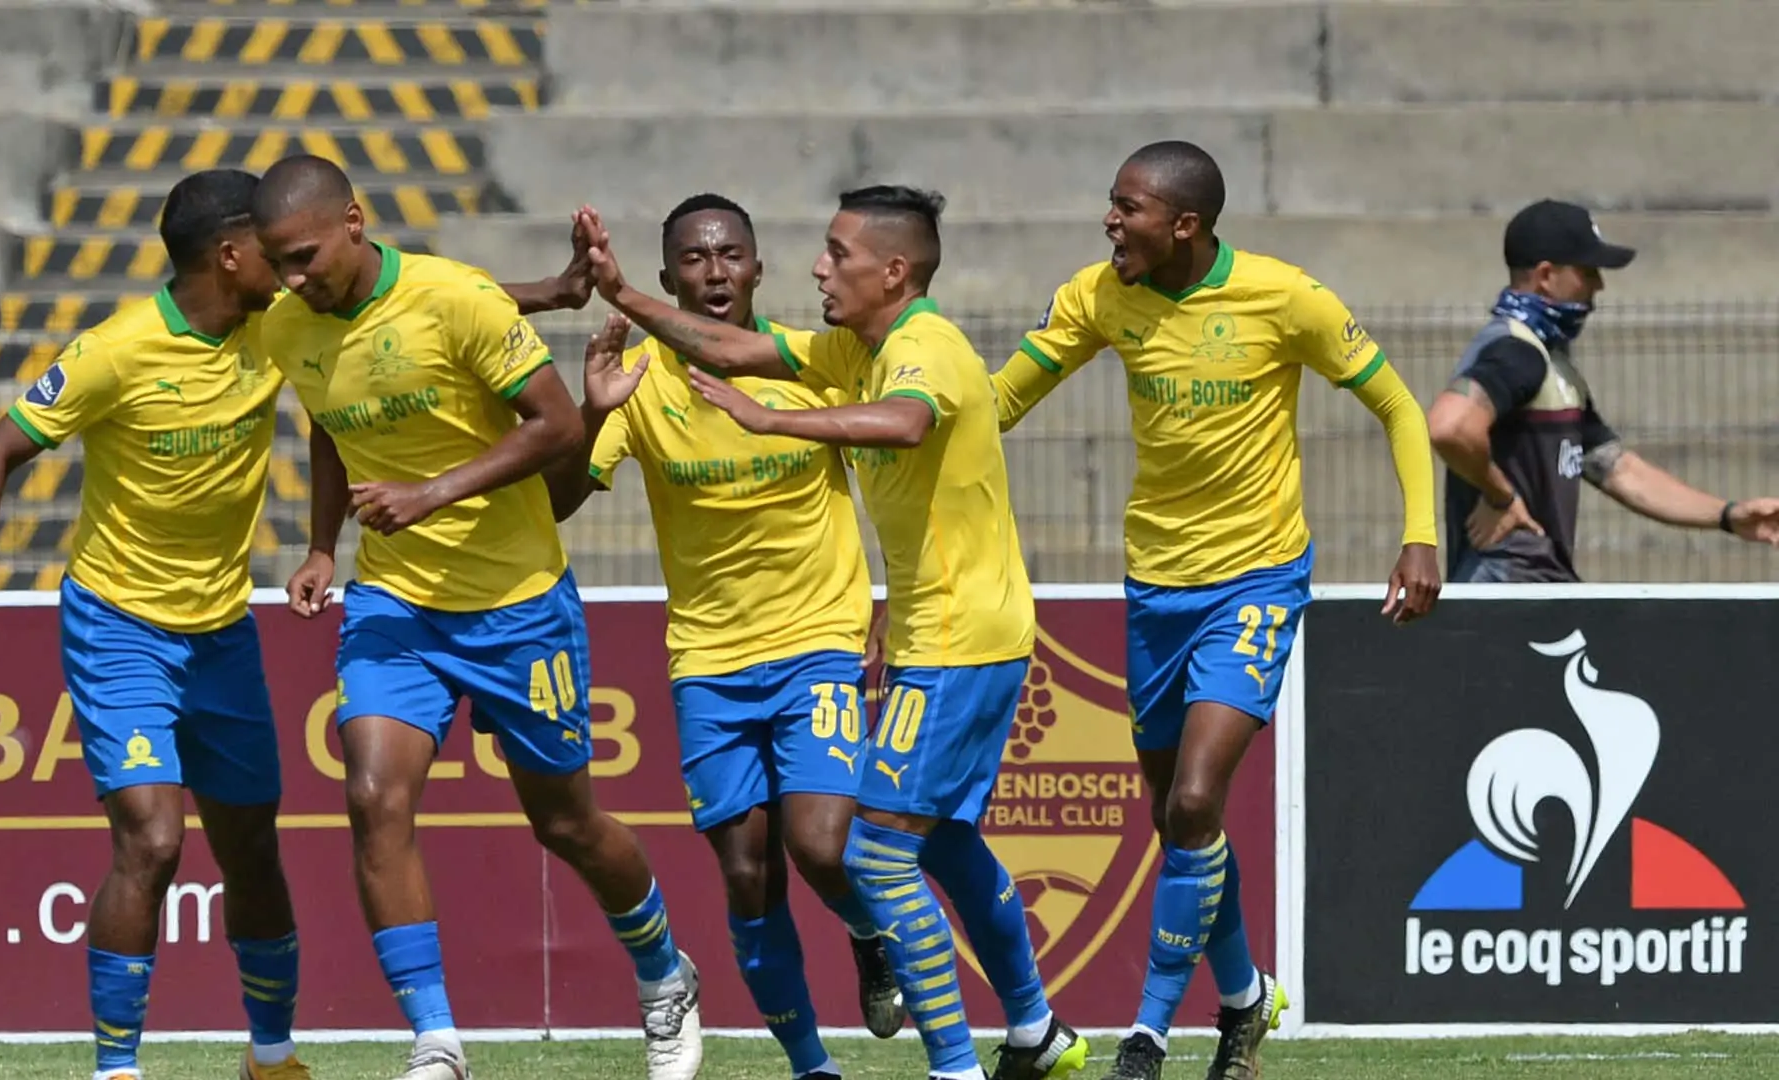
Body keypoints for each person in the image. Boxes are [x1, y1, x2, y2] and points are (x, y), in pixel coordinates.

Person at [577, 186, 1088, 1080]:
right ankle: (1032, 1031)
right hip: (887, 639)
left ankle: (957, 1067)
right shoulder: (851, 351)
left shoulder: (923, 348)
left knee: (869, 854)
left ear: (892, 271)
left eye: (838, 254)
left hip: (955, 638)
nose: (820, 267)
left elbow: (908, 422)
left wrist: (772, 418)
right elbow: (729, 349)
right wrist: (618, 296)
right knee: (931, 841)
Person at [988, 140, 1443, 1080]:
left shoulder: (1285, 298)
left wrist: (1420, 534)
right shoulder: (1099, 296)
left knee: (1196, 798)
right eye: (1112, 203)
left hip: (1257, 580)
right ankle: (1244, 998)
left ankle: (1148, 1035)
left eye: (1129, 208)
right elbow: (998, 404)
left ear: (1185, 224)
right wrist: (896, 416)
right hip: (1156, 586)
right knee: (1178, 819)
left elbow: (1400, 405)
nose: (1111, 221)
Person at [250, 154, 701, 1080]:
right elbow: (330, 425)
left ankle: (665, 973)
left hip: (517, 605)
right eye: (278, 262)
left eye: (304, 257)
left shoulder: (454, 298)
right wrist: (324, 546)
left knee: (566, 824)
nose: (291, 280)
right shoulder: (290, 326)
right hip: (395, 605)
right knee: (373, 798)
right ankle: (437, 1041)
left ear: (354, 223)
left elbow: (559, 427)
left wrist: (431, 492)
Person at [0, 169, 310, 1080]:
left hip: (223, 630)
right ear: (229, 254)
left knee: (251, 847)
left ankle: (273, 1057)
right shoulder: (115, 351)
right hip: (121, 626)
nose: (291, 262)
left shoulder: (283, 327)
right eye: (272, 245)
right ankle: (116, 1068)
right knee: (153, 838)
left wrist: (548, 293)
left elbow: (401, 309)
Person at [545, 192, 906, 1077]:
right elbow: (554, 503)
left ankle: (870, 933)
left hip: (818, 641)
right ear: (668, 278)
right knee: (747, 877)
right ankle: (811, 1065)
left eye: (730, 255)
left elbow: (897, 483)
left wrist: (895, 601)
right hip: (709, 662)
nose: (715, 272)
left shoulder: (809, 362)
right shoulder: (642, 382)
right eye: (695, 259)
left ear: (758, 268)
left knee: (820, 845)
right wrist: (593, 411)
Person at [1427, 199, 1779, 581]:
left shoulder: (1552, 363)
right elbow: (1450, 426)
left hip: (1535, 584)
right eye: (1587, 271)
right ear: (1546, 275)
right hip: (1508, 586)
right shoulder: (1516, 351)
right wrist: (1500, 496)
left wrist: (1728, 515)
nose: (1599, 285)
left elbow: (1618, 470)